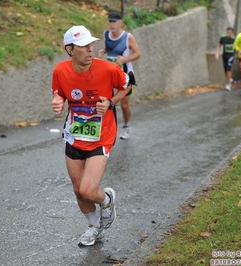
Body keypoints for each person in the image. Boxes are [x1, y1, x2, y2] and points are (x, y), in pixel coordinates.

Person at [51, 25, 131, 246]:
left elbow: (128, 85)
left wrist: (111, 102)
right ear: (70, 49)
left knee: (88, 190)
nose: (90, 49)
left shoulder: (108, 69)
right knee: (79, 191)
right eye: (83, 46)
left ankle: (106, 199)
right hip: (74, 135)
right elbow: (59, 96)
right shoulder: (60, 71)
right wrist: (58, 102)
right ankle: (94, 227)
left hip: (101, 135)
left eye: (91, 44)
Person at [98, 11, 141, 140]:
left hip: (126, 74)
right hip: (109, 74)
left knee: (123, 105)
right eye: (110, 22)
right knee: (106, 103)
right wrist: (103, 51)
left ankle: (127, 126)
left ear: (120, 23)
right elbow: (110, 48)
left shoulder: (128, 37)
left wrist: (124, 60)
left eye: (114, 22)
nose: (112, 24)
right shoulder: (106, 35)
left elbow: (138, 53)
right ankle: (105, 129)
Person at [215, 27, 235, 91]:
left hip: (231, 56)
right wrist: (217, 53)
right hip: (225, 56)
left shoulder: (235, 39)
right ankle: (228, 79)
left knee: (229, 69)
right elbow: (219, 45)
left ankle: (228, 84)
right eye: (227, 33)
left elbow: (237, 46)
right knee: (225, 70)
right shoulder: (223, 38)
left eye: (230, 33)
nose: (228, 34)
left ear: (232, 33)